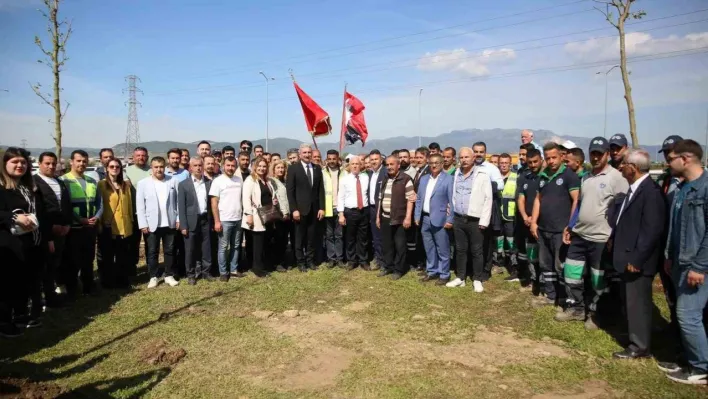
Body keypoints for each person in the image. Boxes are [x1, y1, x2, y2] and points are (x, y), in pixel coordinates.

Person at [556, 137, 628, 325]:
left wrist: (615, 235)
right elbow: (579, 204)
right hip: (579, 235)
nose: (595, 157)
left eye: (599, 153)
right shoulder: (586, 177)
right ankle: (576, 308)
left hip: (601, 238)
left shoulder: (617, 178)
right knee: (571, 273)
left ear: (606, 154)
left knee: (598, 279)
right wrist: (570, 226)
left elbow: (622, 210)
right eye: (592, 153)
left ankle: (596, 313)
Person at [609, 149, 665, 360]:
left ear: (632, 168)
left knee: (638, 303)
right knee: (632, 302)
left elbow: (652, 230)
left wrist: (637, 259)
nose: (620, 166)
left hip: (637, 260)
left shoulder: (650, 192)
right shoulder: (634, 189)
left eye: (623, 164)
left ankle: (640, 346)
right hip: (627, 255)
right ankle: (635, 335)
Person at [664, 139, 708, 385]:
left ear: (686, 158)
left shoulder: (705, 188)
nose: (668, 163)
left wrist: (699, 267)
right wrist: (670, 256)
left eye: (671, 159)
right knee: (685, 315)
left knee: (688, 315)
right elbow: (675, 226)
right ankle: (689, 361)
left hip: (697, 267)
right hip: (681, 263)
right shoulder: (683, 188)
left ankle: (701, 367)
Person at [0, 147, 50, 337]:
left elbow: (41, 213)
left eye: (23, 162)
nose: (20, 165)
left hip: (31, 243)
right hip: (8, 246)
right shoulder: (2, 188)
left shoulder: (28, 188)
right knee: (6, 283)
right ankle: (4, 321)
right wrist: (14, 218)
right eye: (15, 162)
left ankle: (21, 315)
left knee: (24, 281)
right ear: (5, 164)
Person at [530, 142, 580, 307]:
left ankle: (564, 297)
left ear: (562, 156)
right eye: (548, 158)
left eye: (554, 157)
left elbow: (576, 201)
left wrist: (570, 225)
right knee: (546, 264)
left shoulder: (569, 175)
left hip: (561, 230)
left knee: (561, 266)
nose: (551, 161)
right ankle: (550, 295)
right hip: (543, 229)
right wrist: (534, 223)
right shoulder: (543, 176)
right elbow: (538, 200)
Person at [447, 147, 493, 292]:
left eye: (467, 157)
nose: (464, 160)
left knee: (476, 251)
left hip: (475, 219)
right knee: (460, 250)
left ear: (473, 158)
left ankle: (477, 279)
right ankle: (460, 277)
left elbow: (488, 199)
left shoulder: (482, 175)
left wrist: (484, 221)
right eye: (461, 158)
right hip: (459, 218)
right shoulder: (456, 175)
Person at [60, 150, 103, 296]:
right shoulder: (63, 181)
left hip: (90, 228)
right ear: (71, 161)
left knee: (88, 259)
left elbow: (99, 203)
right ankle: (73, 289)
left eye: (84, 161)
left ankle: (88, 286)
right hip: (74, 228)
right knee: (73, 260)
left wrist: (96, 217)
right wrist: (80, 220)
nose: (82, 163)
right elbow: (65, 206)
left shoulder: (91, 181)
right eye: (78, 161)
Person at [33, 152, 72, 307]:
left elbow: (67, 204)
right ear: (39, 163)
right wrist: (49, 231)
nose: (51, 166)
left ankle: (54, 293)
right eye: (47, 163)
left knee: (56, 263)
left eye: (53, 164)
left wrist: (68, 224)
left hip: (62, 231)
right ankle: (46, 297)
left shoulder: (59, 181)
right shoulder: (34, 182)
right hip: (45, 233)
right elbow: (37, 211)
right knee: (45, 266)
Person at [136, 157, 179, 289]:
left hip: (169, 223)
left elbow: (177, 202)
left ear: (165, 167)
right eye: (156, 167)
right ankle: (153, 276)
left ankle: (168, 275)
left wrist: (178, 219)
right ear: (151, 168)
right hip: (151, 223)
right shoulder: (143, 183)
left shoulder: (173, 181)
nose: (159, 169)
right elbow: (140, 206)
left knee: (170, 250)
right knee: (152, 251)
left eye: (161, 167)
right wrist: (142, 223)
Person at [415, 154, 454, 285]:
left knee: (442, 248)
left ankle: (444, 274)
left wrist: (450, 219)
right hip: (425, 218)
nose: (434, 165)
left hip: (441, 219)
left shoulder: (448, 179)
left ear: (442, 163)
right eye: (431, 162)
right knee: (429, 247)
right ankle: (432, 271)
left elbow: (452, 201)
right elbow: (419, 199)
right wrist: (416, 216)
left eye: (437, 162)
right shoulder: (425, 179)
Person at [243, 157, 285, 277]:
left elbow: (270, 195)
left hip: (268, 215)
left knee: (266, 241)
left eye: (264, 166)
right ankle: (258, 269)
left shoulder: (267, 180)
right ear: (255, 167)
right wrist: (248, 214)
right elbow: (246, 198)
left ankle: (265, 264)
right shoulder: (250, 180)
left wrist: (274, 200)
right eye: (259, 166)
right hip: (256, 216)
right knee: (257, 243)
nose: (262, 168)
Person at [286, 144, 325, 272]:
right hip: (300, 210)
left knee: (311, 237)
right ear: (300, 154)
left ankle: (310, 260)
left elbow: (320, 190)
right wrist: (294, 209)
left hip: (314, 210)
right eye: (305, 153)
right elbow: (290, 191)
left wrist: (321, 208)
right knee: (299, 238)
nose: (307, 155)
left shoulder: (317, 168)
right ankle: (300, 262)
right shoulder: (293, 169)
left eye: (309, 152)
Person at [97, 157, 134, 289]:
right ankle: (107, 281)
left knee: (122, 255)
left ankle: (122, 280)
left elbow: (129, 205)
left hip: (124, 226)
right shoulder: (101, 185)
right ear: (107, 168)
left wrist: (130, 221)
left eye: (117, 167)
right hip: (108, 225)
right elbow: (99, 205)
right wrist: (100, 223)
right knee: (107, 255)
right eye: (112, 166)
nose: (115, 169)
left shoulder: (125, 185)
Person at [376, 156, 415, 280]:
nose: (389, 167)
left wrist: (408, 217)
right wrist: (378, 216)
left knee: (400, 246)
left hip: (399, 219)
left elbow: (410, 200)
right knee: (387, 245)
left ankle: (399, 270)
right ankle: (388, 266)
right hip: (385, 218)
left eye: (392, 164)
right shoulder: (385, 179)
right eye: (387, 165)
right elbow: (380, 199)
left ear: (398, 165)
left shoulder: (406, 179)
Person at [178, 157, 215, 285]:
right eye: (195, 165)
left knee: (206, 247)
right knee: (190, 249)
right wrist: (183, 225)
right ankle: (191, 274)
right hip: (190, 220)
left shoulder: (209, 183)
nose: (198, 168)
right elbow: (181, 207)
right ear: (190, 168)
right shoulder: (183, 185)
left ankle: (206, 272)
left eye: (200, 165)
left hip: (205, 219)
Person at [209, 156, 245, 281]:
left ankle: (234, 269)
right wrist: (217, 221)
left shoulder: (239, 180)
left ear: (236, 166)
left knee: (236, 246)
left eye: (233, 165)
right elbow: (214, 202)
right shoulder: (217, 181)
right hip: (224, 220)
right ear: (223, 166)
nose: (230, 168)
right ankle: (223, 272)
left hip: (238, 218)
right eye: (228, 165)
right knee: (223, 247)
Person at [517, 149, 544, 291]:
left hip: (542, 223)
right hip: (527, 222)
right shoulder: (525, 177)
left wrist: (535, 218)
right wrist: (524, 216)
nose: (533, 165)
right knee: (532, 254)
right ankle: (534, 280)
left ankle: (545, 284)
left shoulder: (545, 177)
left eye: (535, 162)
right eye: (530, 162)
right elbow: (521, 199)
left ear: (541, 160)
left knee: (543, 256)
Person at [338, 157, 370, 270]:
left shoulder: (366, 178)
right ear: (349, 166)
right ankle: (351, 260)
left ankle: (363, 260)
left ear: (361, 165)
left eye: (357, 164)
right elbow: (340, 197)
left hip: (364, 211)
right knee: (350, 238)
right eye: (353, 164)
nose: (355, 166)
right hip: (350, 212)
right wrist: (341, 214)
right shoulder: (344, 180)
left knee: (363, 238)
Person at [125, 146, 151, 277]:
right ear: (133, 157)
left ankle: (151, 268)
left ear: (147, 157)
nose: (141, 158)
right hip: (133, 213)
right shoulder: (126, 171)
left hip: (150, 214)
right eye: (138, 155)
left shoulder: (152, 170)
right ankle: (132, 269)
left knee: (150, 243)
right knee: (133, 243)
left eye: (143, 155)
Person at [497, 153, 519, 281]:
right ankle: (499, 263)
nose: (504, 165)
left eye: (506, 163)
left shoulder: (516, 177)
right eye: (502, 163)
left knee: (511, 243)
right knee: (498, 241)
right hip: (498, 216)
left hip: (511, 216)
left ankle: (514, 267)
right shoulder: (495, 178)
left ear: (510, 164)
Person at [269, 159, 291, 271]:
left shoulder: (286, 181)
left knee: (283, 240)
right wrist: (282, 212)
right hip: (278, 215)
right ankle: (276, 262)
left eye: (282, 168)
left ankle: (282, 260)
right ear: (273, 169)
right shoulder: (272, 181)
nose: (280, 170)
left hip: (287, 214)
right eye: (278, 168)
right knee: (277, 239)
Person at [323, 150, 343, 267]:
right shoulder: (323, 172)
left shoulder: (344, 173)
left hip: (340, 208)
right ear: (327, 159)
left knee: (339, 235)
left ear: (338, 159)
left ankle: (340, 258)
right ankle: (331, 258)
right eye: (329, 159)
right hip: (327, 208)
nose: (331, 161)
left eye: (333, 159)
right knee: (329, 235)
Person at [368, 150, 386, 269]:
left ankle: (385, 260)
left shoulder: (385, 172)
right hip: (372, 208)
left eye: (376, 159)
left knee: (383, 235)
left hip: (383, 208)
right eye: (372, 159)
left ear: (381, 160)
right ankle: (378, 258)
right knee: (375, 235)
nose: (374, 161)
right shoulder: (369, 173)